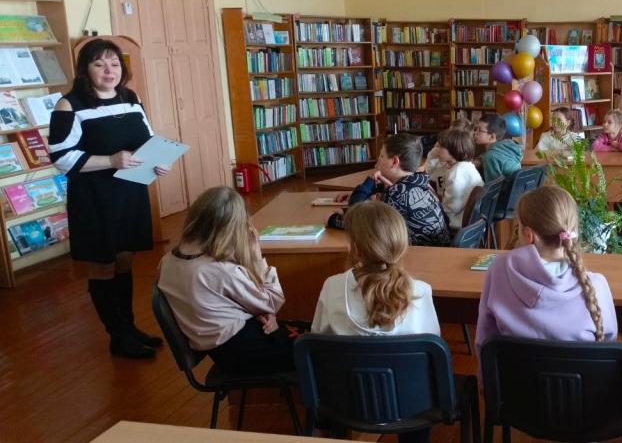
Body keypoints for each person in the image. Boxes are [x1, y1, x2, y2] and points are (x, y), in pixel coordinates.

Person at [48, 39, 171, 359]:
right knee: (102, 266)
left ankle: (128, 327)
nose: (109, 71)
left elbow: (146, 139)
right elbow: (60, 157)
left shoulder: (130, 98)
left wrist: (158, 160)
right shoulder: (69, 105)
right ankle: (118, 337)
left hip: (130, 191)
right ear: (85, 69)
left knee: (124, 260)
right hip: (94, 198)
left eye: (114, 64)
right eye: (99, 64)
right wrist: (110, 161)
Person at [157, 187, 294, 376]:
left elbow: (216, 302)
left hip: (223, 352)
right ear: (231, 229)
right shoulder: (220, 271)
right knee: (317, 348)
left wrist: (259, 311)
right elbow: (271, 302)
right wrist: (257, 258)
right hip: (245, 353)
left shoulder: (166, 262)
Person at [475, 186, 618, 352]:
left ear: (529, 235)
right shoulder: (596, 285)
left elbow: (484, 341)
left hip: (510, 370)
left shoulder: (498, 270)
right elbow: (608, 346)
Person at [313, 201, 440, 337]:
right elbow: (432, 341)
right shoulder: (421, 291)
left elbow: (317, 337)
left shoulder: (332, 287)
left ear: (356, 249)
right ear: (401, 245)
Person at [328, 134, 451, 246]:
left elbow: (361, 224)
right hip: (440, 250)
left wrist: (333, 219)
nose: (376, 163)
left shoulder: (396, 195)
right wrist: (363, 192)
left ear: (394, 161)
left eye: (382, 156)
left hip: (421, 256)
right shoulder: (421, 182)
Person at [424, 128, 483, 229]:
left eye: (440, 146)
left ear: (454, 149)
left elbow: (448, 210)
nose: (436, 149)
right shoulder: (463, 165)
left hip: (455, 222)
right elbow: (430, 173)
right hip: (462, 218)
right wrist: (432, 156)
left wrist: (433, 197)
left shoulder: (456, 174)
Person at [475, 113, 522, 183]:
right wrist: (481, 159)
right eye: (476, 129)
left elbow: (492, 187)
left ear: (492, 137)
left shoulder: (490, 156)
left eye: (479, 130)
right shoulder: (507, 146)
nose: (475, 133)